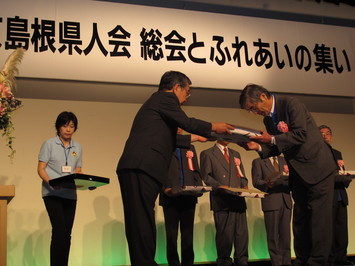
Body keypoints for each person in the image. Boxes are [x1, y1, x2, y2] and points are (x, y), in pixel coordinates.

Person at [116, 71, 234, 266]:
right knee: (140, 221)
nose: (186, 98)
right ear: (176, 87)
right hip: (140, 167)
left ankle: (144, 261)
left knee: (141, 220)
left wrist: (201, 137)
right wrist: (213, 126)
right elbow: (186, 122)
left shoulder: (158, 104)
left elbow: (171, 138)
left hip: (140, 167)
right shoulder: (165, 97)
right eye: (186, 92)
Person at [238, 84, 338, 266]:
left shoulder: (291, 104)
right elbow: (279, 146)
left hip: (318, 169)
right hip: (298, 174)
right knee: (300, 219)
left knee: (319, 220)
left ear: (262, 96)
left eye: (253, 108)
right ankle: (301, 260)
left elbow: (300, 135)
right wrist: (258, 147)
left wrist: (271, 138)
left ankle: (318, 261)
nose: (254, 112)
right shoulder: (268, 120)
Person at [37, 111, 82, 266]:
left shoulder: (78, 147)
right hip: (52, 193)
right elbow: (41, 169)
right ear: (58, 127)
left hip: (70, 194)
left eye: (71, 126)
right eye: (65, 125)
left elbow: (78, 171)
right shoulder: (49, 144)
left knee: (67, 234)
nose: (68, 129)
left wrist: (85, 184)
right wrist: (50, 182)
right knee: (59, 231)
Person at [159, 129, 207, 266]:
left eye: (180, 127)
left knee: (188, 236)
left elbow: (196, 170)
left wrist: (199, 188)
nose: (179, 129)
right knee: (171, 236)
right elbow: (158, 170)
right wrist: (164, 189)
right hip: (170, 196)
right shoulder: (164, 145)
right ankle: (173, 263)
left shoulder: (190, 147)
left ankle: (188, 263)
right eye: (176, 126)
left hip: (189, 196)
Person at [200, 140, 249, 266]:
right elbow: (206, 177)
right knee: (224, 237)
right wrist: (220, 186)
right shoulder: (208, 153)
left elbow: (242, 175)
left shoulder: (235, 153)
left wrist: (244, 186)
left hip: (238, 200)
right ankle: (224, 262)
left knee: (242, 236)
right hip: (222, 200)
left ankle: (242, 261)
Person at [319, 125, 353, 266]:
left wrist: (346, 177)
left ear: (331, 136)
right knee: (330, 230)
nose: (325, 136)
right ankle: (331, 258)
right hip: (328, 196)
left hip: (340, 196)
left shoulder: (337, 153)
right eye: (322, 134)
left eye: (328, 134)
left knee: (342, 230)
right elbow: (326, 176)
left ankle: (342, 258)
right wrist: (343, 177)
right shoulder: (318, 154)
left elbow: (342, 173)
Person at [251, 155, 292, 266]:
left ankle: (287, 262)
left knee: (286, 235)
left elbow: (293, 178)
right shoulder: (258, 161)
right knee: (273, 236)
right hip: (271, 200)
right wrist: (268, 184)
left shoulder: (285, 159)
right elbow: (256, 181)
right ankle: (277, 263)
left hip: (286, 200)